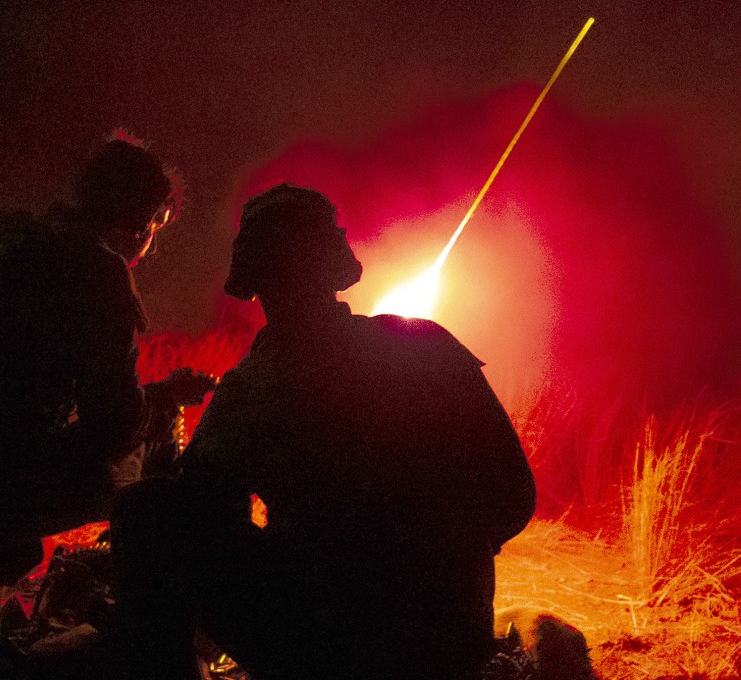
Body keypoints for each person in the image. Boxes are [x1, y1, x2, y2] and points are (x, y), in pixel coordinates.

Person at [111, 184, 536, 680]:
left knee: (143, 513)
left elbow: (197, 507)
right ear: (335, 264)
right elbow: (515, 496)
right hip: (449, 645)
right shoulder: (428, 344)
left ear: (254, 277)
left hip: (332, 647)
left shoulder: (256, 386)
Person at [0, 133, 214, 679]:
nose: (152, 244)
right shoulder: (99, 271)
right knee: (150, 490)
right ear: (144, 219)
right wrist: (165, 401)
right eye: (157, 228)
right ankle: (158, 636)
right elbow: (115, 422)